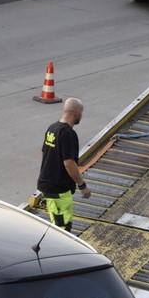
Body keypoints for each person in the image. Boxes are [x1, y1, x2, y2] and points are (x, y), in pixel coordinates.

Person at [37, 97, 91, 231]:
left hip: (47, 184)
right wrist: (82, 185)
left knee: (57, 225)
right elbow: (69, 163)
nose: (81, 116)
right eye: (81, 113)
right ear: (77, 113)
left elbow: (44, 153)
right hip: (58, 190)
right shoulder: (68, 133)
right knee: (63, 229)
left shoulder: (52, 127)